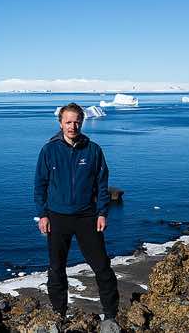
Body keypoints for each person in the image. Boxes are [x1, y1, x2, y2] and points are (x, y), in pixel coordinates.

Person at [34, 102, 119, 329]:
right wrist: (42, 214)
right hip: (57, 217)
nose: (73, 126)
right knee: (56, 268)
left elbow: (102, 185)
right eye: (68, 122)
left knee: (102, 266)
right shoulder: (49, 150)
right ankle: (59, 313)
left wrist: (102, 212)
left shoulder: (93, 150)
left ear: (82, 122)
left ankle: (110, 315)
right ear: (60, 123)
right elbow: (40, 185)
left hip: (86, 217)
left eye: (76, 121)